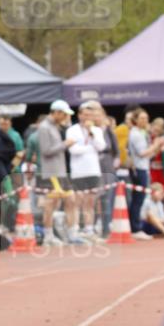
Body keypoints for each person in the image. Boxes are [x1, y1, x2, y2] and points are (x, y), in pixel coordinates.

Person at [36, 100, 77, 246]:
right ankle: (48, 236)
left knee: (70, 200)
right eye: (64, 114)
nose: (66, 117)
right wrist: (65, 144)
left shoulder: (54, 126)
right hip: (51, 172)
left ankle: (72, 234)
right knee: (50, 204)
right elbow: (46, 150)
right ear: (57, 112)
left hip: (60, 171)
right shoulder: (44, 127)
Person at [66, 102, 106, 243]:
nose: (87, 117)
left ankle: (89, 229)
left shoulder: (97, 130)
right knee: (78, 201)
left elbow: (101, 146)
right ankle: (75, 230)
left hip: (93, 170)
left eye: (90, 115)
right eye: (85, 114)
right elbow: (73, 150)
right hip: (78, 171)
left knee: (90, 202)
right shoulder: (72, 130)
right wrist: (89, 148)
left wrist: (91, 135)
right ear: (79, 115)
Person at [127, 108, 164, 238]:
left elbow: (148, 155)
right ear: (135, 120)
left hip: (143, 168)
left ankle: (137, 227)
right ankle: (135, 229)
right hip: (138, 170)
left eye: (146, 118)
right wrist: (156, 144)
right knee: (138, 200)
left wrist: (157, 147)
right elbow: (142, 153)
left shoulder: (142, 133)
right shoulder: (136, 134)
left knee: (140, 199)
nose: (145, 121)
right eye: (142, 118)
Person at [91, 103, 120, 237]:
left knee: (107, 198)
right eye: (94, 115)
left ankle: (106, 228)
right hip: (92, 166)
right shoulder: (88, 130)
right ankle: (93, 226)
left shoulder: (108, 130)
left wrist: (116, 161)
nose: (96, 117)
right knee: (94, 198)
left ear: (104, 116)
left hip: (107, 167)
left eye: (99, 115)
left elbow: (116, 149)